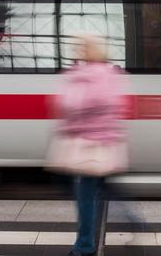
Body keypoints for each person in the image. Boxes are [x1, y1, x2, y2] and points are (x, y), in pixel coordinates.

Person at [49, 34, 132, 256]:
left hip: (89, 145)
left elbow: (72, 105)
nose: (77, 51)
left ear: (88, 50)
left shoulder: (86, 75)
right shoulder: (109, 73)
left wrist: (73, 122)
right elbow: (119, 107)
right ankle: (133, 220)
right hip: (103, 144)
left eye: (80, 48)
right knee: (103, 188)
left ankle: (84, 246)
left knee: (85, 196)